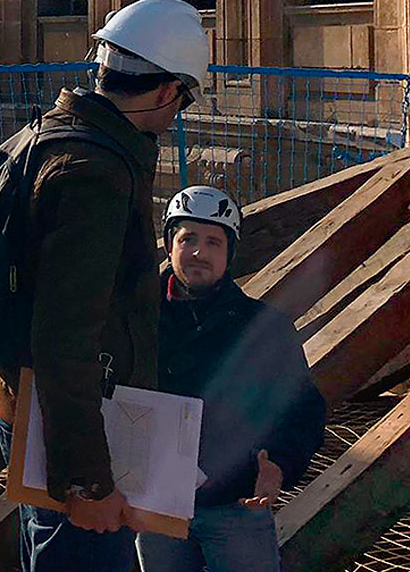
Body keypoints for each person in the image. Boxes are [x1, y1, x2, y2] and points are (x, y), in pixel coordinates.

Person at [0, 0, 210, 572]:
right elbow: (65, 339)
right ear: (166, 91)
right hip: (69, 429)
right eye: (183, 99)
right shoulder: (98, 175)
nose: (178, 114)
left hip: (29, 407)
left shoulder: (55, 134)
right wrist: (85, 482)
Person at [136, 186, 326, 572]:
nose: (198, 253)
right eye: (187, 238)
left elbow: (302, 409)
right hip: (156, 507)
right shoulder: (134, 321)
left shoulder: (263, 329)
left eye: (213, 242)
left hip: (236, 506)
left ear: (230, 253)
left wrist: (280, 465)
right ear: (169, 244)